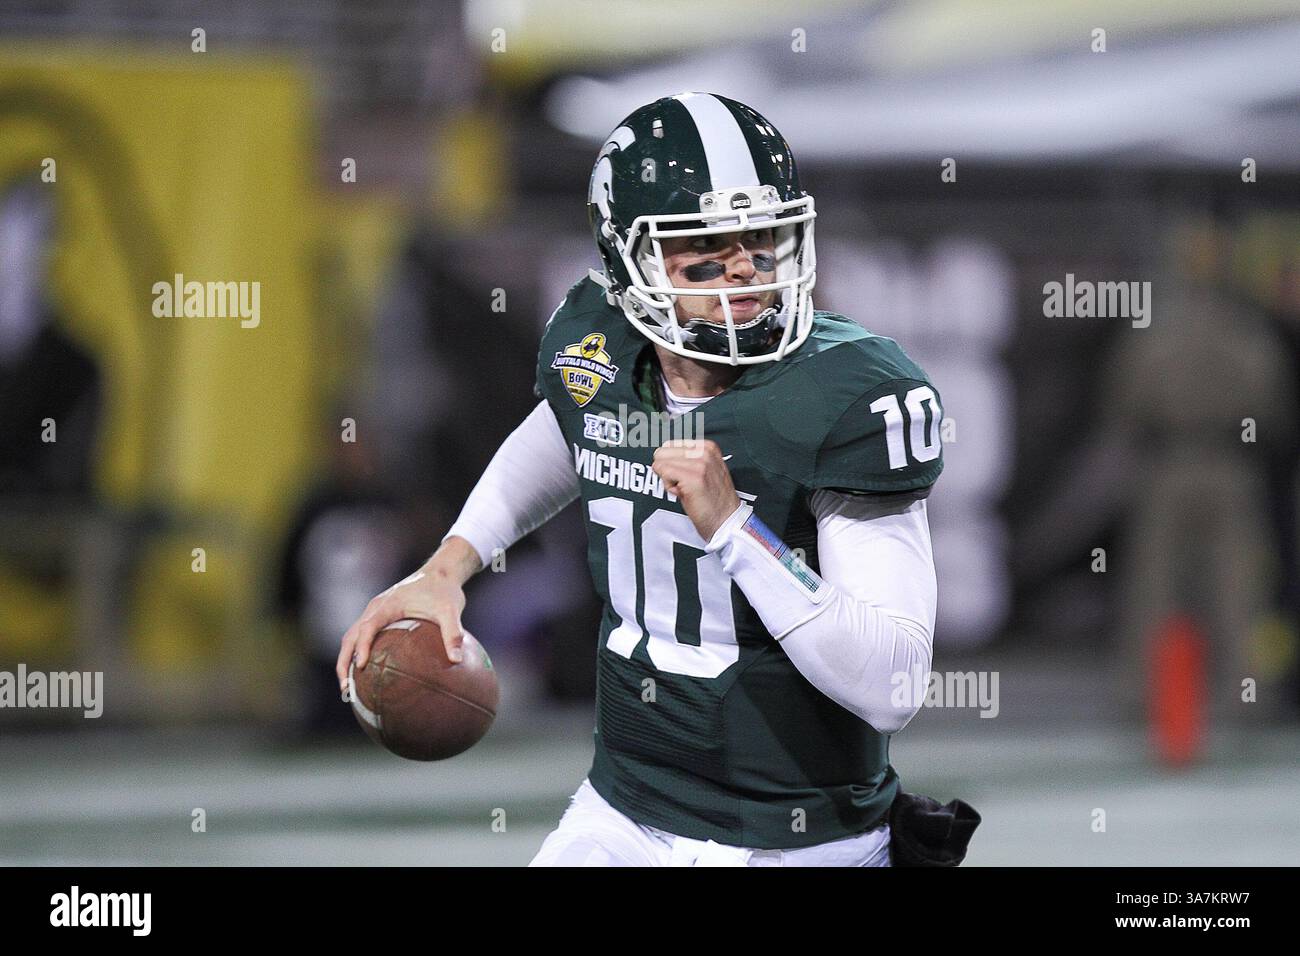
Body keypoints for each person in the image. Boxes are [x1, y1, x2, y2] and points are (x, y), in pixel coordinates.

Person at [337, 93, 945, 866]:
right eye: (705, 248)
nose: (742, 272)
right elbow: (563, 435)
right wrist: (446, 569)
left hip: (798, 838)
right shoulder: (601, 343)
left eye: (761, 240)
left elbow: (892, 685)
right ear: (629, 262)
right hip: (624, 811)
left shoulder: (847, 395)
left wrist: (737, 532)